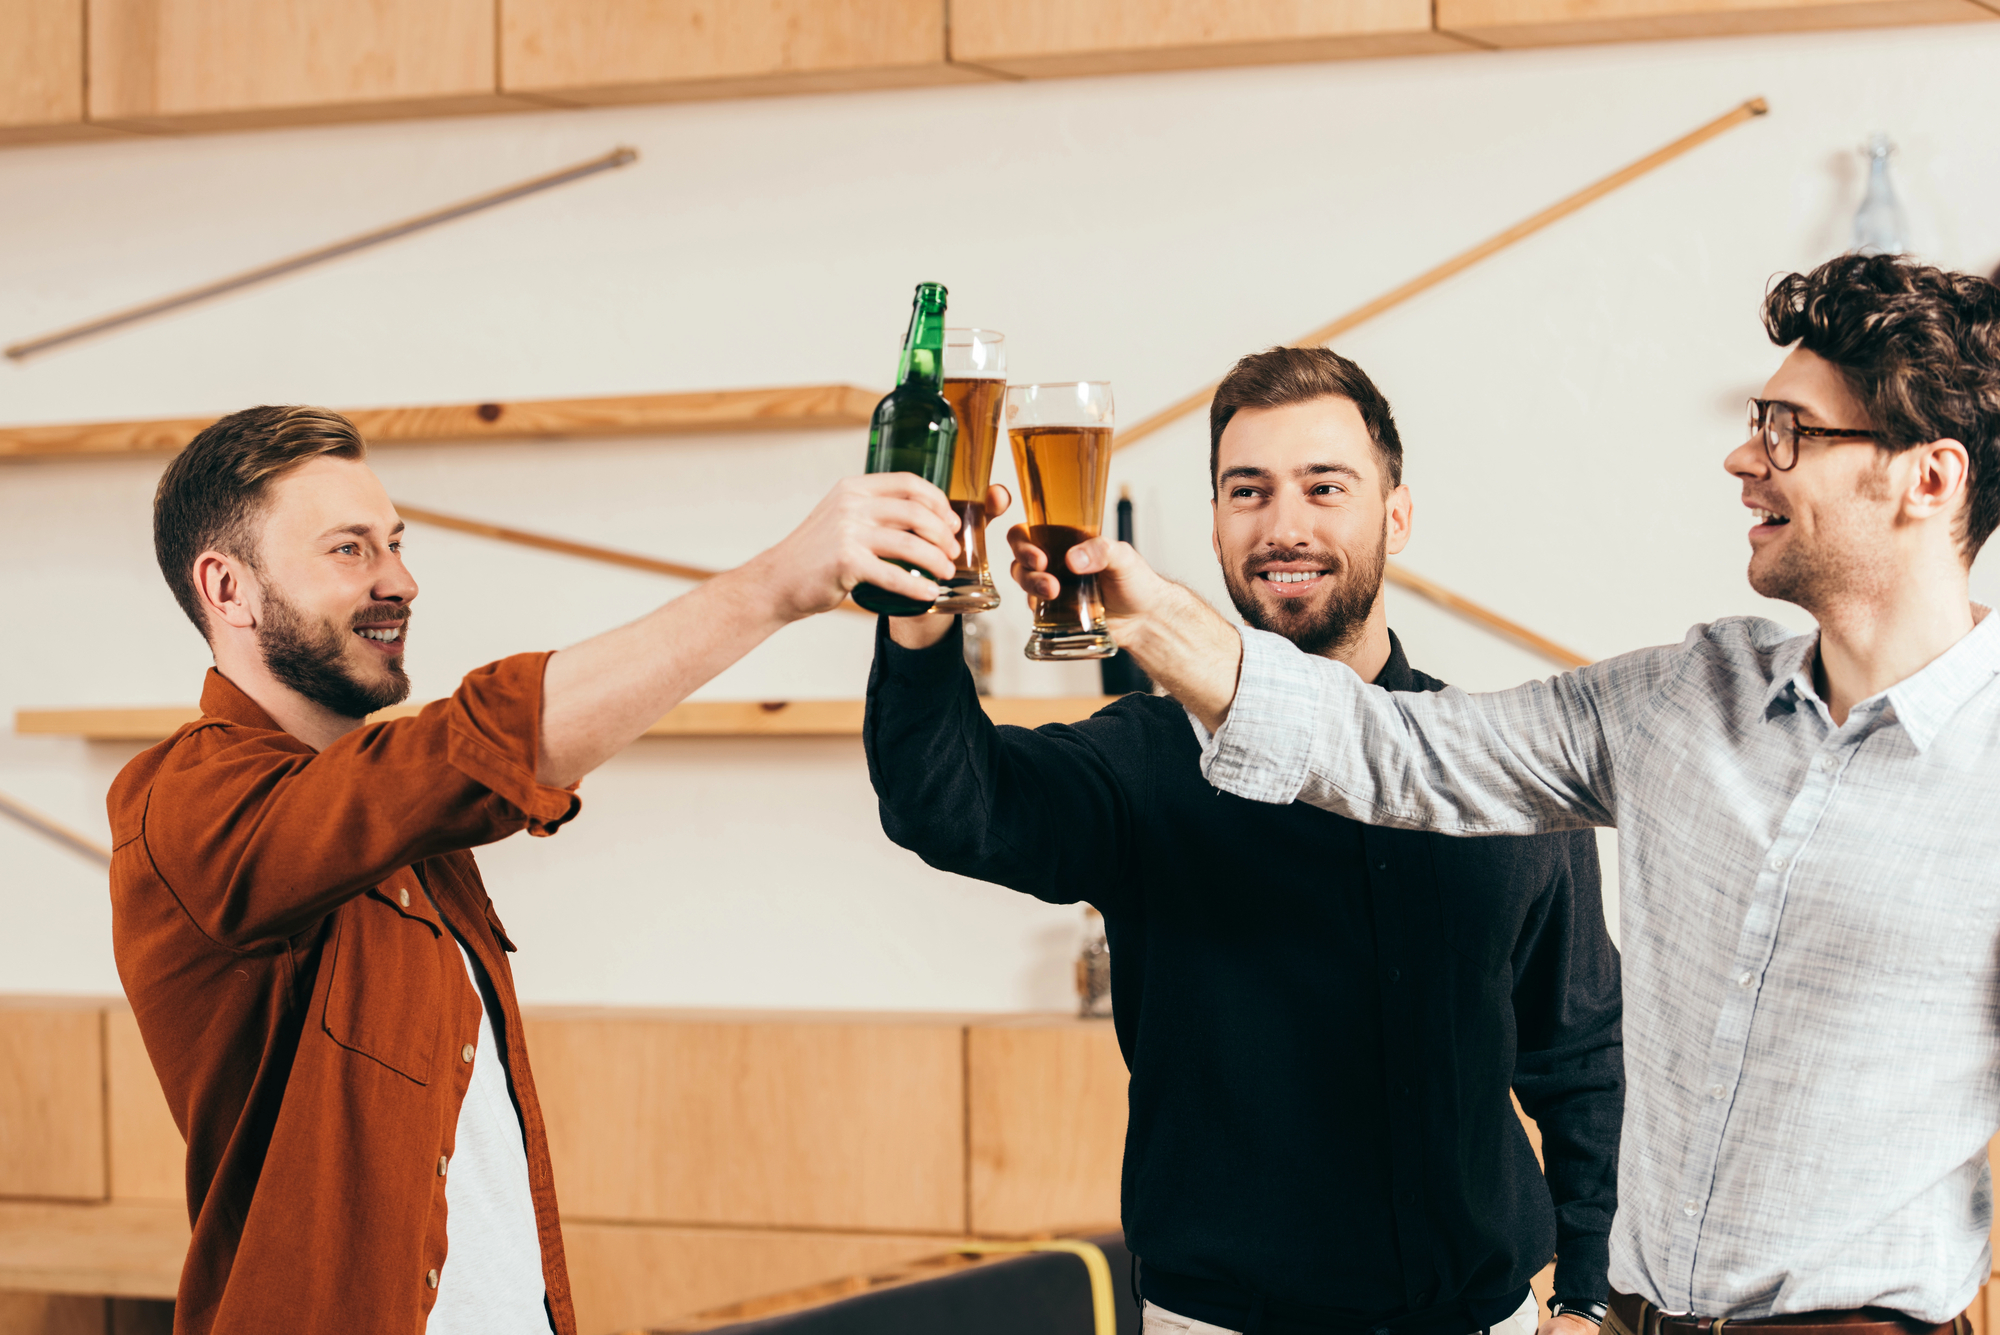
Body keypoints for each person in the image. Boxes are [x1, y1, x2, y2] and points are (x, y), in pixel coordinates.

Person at [1048, 255, 2000, 1335]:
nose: (1743, 458)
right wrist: (1155, 618)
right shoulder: (1677, 701)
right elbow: (1391, 748)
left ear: (1928, 479)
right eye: (1754, 420)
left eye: (1789, 432)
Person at [109, 405, 961, 1335]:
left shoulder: (407, 832)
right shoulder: (185, 805)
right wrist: (776, 586)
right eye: (350, 550)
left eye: (395, 543)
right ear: (226, 589)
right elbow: (481, 745)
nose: (402, 581)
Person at [865, 347, 1624, 1335]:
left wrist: (1588, 1296)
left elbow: (1577, 1052)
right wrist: (919, 617)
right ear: (1216, 521)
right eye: (1246, 491)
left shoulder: (1490, 762)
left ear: (1394, 513)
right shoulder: (1140, 759)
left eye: (1323, 487)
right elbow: (946, 803)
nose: (1283, 526)